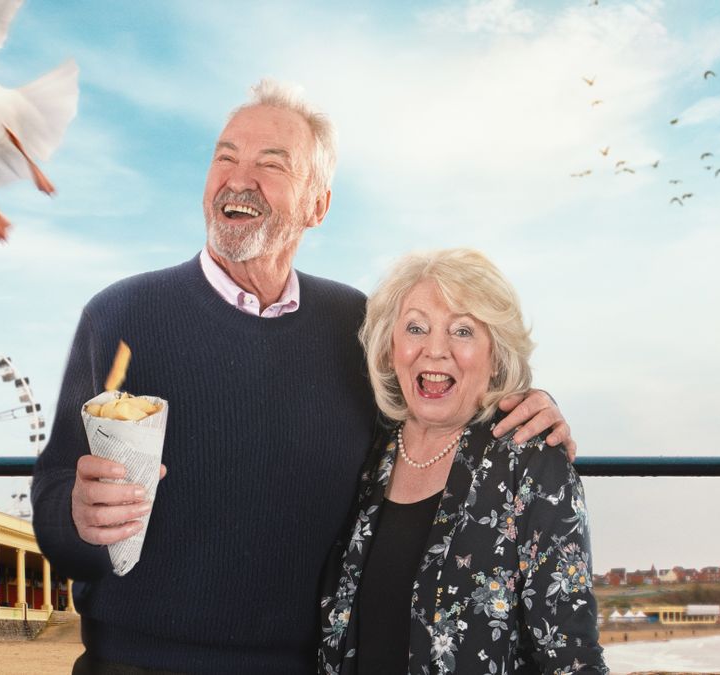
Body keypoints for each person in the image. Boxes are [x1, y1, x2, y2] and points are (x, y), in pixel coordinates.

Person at [30, 80, 577, 675]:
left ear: (318, 205)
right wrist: (77, 517)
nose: (240, 179)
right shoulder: (120, 315)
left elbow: (439, 397)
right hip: (134, 663)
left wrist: (523, 402)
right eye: (225, 157)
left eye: (271, 163)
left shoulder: (358, 326)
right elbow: (55, 496)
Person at [319, 249, 606, 674]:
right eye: (416, 328)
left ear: (496, 357)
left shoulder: (529, 460)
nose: (435, 350)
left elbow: (571, 656)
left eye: (462, 331)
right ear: (389, 348)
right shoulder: (365, 450)